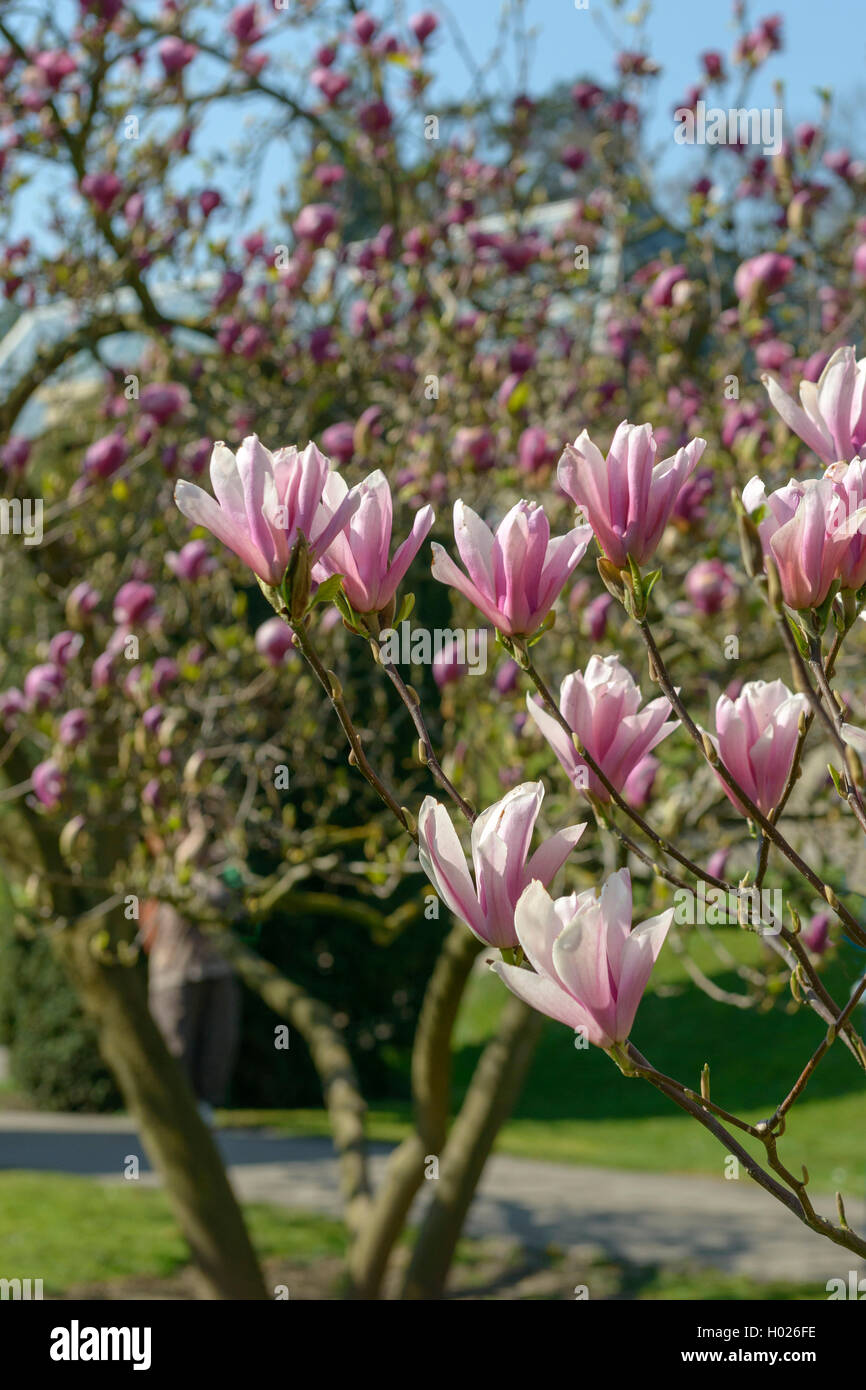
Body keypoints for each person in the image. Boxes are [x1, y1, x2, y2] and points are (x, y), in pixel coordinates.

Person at [140, 894, 241, 1121]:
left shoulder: (225, 864)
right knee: (174, 1042)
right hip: (173, 967)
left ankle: (204, 1105)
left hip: (218, 964)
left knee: (219, 1039)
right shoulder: (162, 864)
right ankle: (169, 1107)